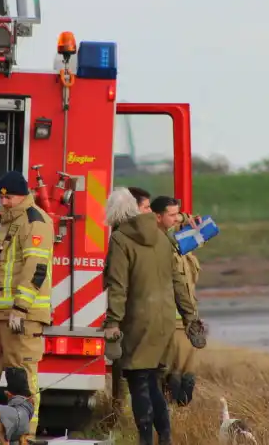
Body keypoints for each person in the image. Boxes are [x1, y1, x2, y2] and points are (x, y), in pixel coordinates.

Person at [103, 187, 199, 445]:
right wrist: (190, 317)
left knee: (138, 382)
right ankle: (165, 438)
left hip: (137, 321)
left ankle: (145, 439)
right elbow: (180, 281)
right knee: (154, 381)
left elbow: (118, 286)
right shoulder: (163, 237)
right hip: (165, 321)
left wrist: (112, 322)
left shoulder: (121, 239)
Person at [0, 170, 54, 436]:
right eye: (1, 197)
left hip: (22, 316)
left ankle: (24, 434)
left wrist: (21, 307)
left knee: (21, 378)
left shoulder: (35, 221)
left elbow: (36, 267)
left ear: (24, 195)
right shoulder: (5, 222)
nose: (3, 202)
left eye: (10, 198)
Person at [152, 196, 202, 406]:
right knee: (170, 381)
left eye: (177, 215)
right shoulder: (156, 244)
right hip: (168, 322)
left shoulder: (179, 244)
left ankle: (179, 427)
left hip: (186, 322)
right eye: (171, 215)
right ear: (157, 216)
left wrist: (187, 218)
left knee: (186, 383)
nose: (176, 219)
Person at [110, 186, 154, 419]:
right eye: (146, 207)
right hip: (137, 315)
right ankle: (124, 416)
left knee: (134, 373)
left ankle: (123, 416)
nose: (150, 212)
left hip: (134, 315)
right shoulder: (126, 238)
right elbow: (118, 284)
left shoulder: (123, 237)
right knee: (136, 372)